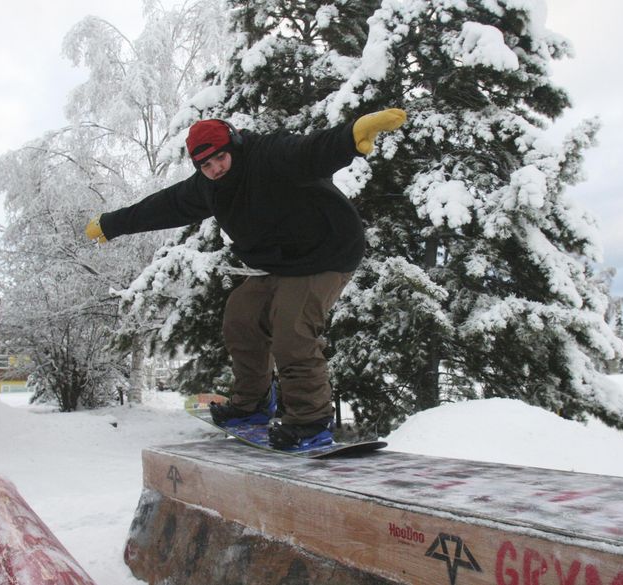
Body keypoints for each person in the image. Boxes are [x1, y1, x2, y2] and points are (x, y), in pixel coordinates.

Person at [85, 109, 406, 449]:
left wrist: (350, 136)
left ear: (234, 146)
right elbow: (166, 205)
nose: (216, 170)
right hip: (280, 261)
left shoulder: (269, 156)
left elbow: (310, 151)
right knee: (241, 317)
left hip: (328, 251)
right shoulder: (208, 186)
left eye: (220, 159)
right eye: (205, 166)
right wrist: (113, 223)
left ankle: (311, 422)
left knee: (292, 330)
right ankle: (252, 405)